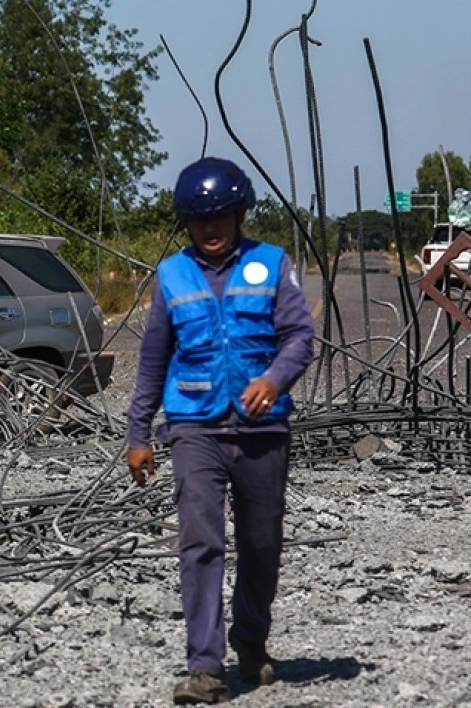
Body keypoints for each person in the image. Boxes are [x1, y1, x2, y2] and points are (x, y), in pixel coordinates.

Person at [125, 157, 316, 705]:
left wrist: (276, 381)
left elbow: (300, 338)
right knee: (200, 543)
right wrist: (139, 434)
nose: (211, 230)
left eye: (220, 219)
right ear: (187, 223)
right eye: (199, 221)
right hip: (193, 429)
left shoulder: (272, 264)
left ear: (240, 213)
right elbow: (153, 359)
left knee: (261, 542)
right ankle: (204, 667)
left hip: (262, 432)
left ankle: (251, 644)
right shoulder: (171, 275)